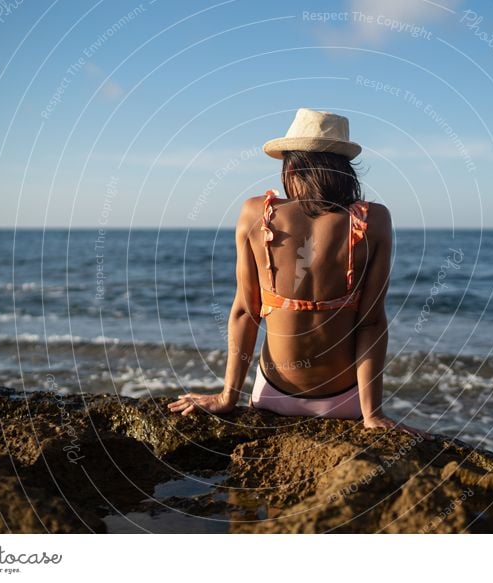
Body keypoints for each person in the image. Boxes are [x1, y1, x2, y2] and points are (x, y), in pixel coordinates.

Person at [168, 108, 432, 439]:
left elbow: (245, 312)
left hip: (272, 393)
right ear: (343, 169)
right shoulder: (374, 220)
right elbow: (372, 322)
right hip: (347, 399)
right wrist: (372, 413)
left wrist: (227, 397)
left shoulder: (257, 212)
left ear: (292, 165)